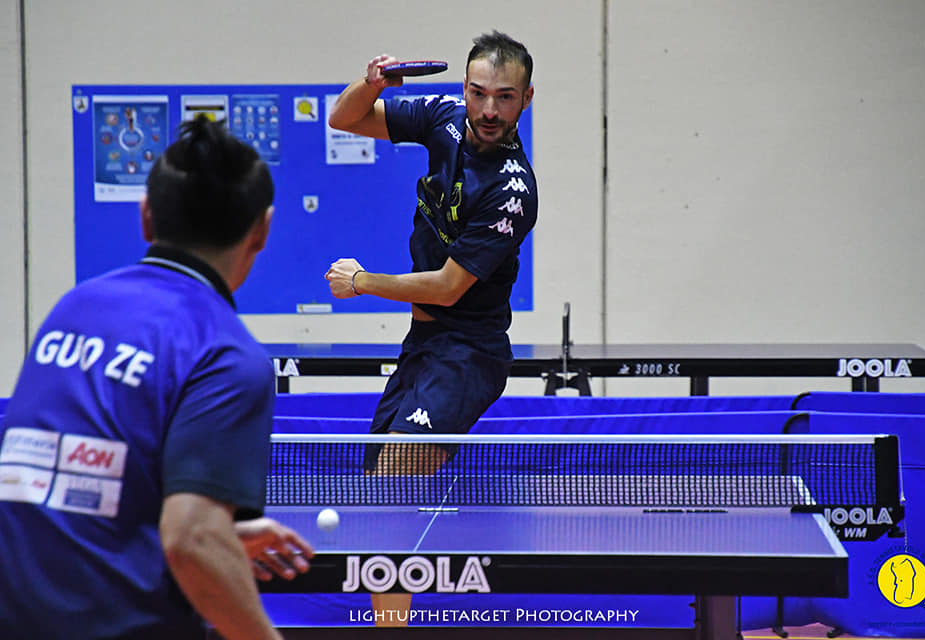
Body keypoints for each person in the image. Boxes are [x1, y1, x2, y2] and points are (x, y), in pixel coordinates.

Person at [0, 118, 312, 640]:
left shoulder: (74, 308)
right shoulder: (228, 355)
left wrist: (221, 533)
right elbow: (189, 542)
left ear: (146, 217)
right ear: (263, 228)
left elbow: (75, 488)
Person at [325, 30, 536, 626]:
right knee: (378, 492)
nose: (489, 109)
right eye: (478, 92)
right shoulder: (443, 117)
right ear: (463, 90)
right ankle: (391, 628)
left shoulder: (513, 191)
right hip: (424, 345)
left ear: (525, 100)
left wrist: (362, 281)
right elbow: (344, 120)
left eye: (505, 96)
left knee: (394, 475)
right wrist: (373, 83)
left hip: (469, 352)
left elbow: (447, 287)